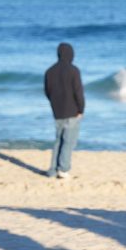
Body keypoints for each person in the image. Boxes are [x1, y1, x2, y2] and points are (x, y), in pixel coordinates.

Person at [44, 42, 85, 179]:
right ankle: (63, 169)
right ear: (71, 54)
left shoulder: (49, 71)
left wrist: (54, 104)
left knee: (58, 140)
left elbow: (47, 92)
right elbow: (78, 92)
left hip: (57, 110)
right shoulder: (74, 70)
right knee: (69, 141)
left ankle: (52, 170)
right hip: (72, 110)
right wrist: (81, 108)